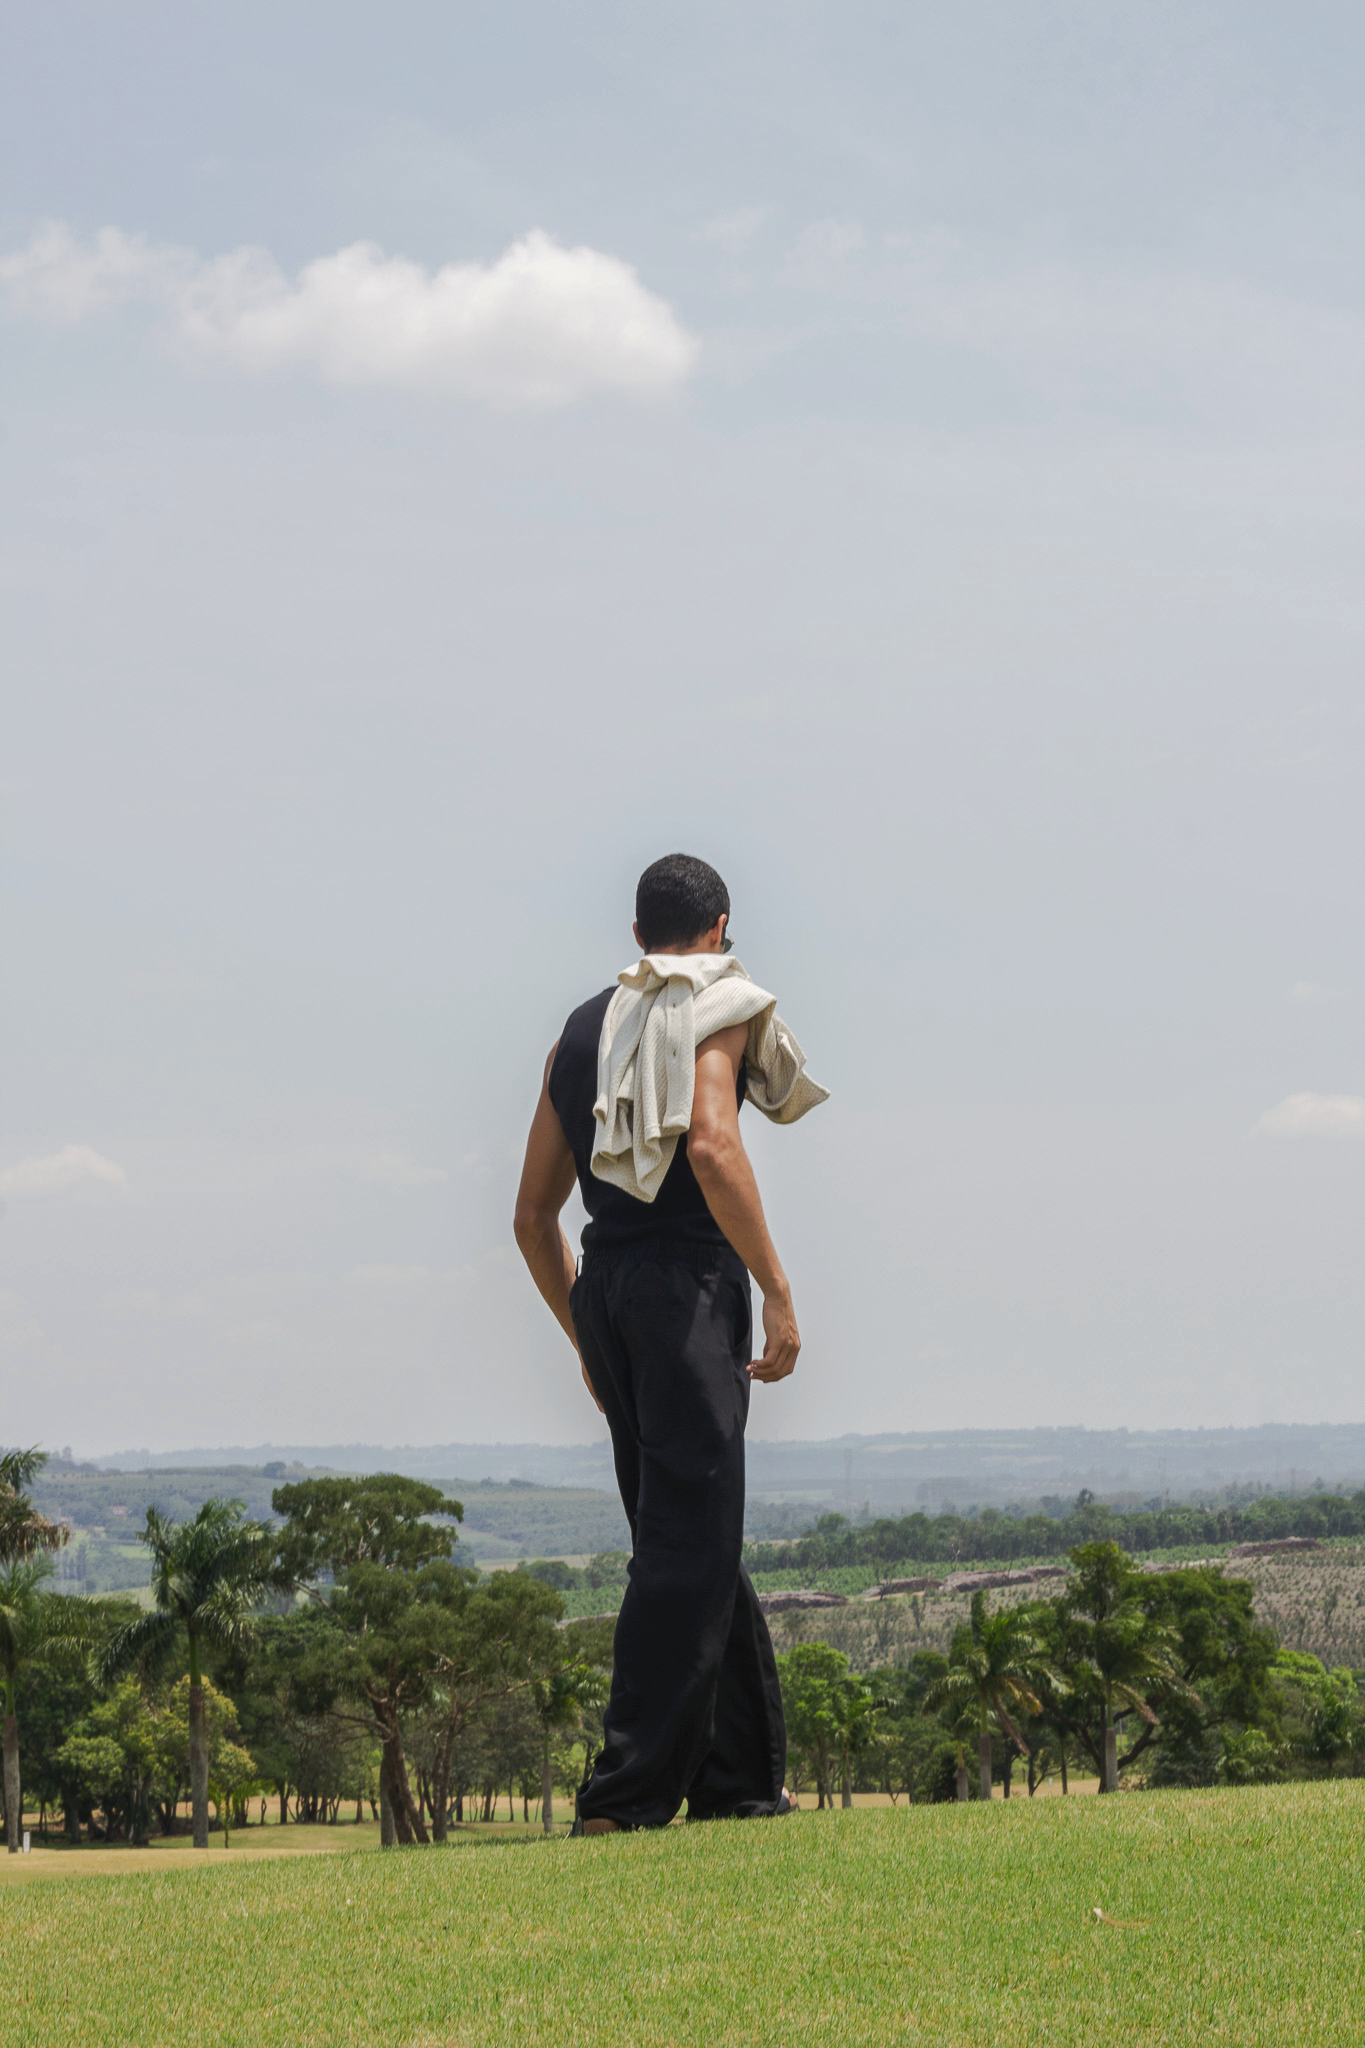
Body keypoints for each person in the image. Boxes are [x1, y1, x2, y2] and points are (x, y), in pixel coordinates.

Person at [513, 852, 827, 1831]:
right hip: (685, 1284)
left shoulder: (579, 1030)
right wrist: (776, 1290)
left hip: (602, 1286)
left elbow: (531, 1214)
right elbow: (711, 1142)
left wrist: (582, 1334)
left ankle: (736, 1777)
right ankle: (625, 1790)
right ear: (720, 925)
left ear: (638, 930)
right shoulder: (717, 999)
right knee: (685, 1543)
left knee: (689, 1533)